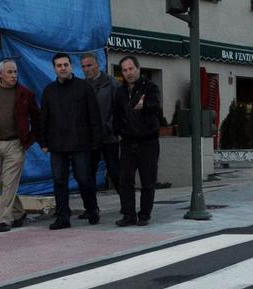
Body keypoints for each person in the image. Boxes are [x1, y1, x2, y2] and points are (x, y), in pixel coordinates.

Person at [38, 53, 104, 230]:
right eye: (59, 65)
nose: (63, 68)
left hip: (81, 144)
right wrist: (42, 141)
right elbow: (43, 118)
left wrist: (96, 141)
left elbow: (94, 116)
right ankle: (63, 218)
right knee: (59, 181)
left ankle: (92, 209)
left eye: (65, 64)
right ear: (54, 69)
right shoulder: (49, 91)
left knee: (84, 179)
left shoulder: (84, 88)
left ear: (71, 66)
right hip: (57, 145)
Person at [0, 59, 39, 232]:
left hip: (15, 144)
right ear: (0, 74)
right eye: (10, 72)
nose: (14, 75)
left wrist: (28, 140)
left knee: (9, 182)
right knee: (0, 182)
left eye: (15, 72)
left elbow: (37, 119)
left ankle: (5, 219)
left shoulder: (25, 94)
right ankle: (19, 212)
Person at [113, 55, 161, 227]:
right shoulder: (119, 91)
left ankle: (144, 215)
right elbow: (116, 114)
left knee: (148, 180)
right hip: (127, 141)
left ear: (138, 68)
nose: (128, 73)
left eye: (131, 68)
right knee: (125, 180)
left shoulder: (150, 87)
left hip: (147, 141)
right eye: (125, 70)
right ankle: (128, 215)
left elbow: (156, 106)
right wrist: (118, 131)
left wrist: (144, 105)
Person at [80, 53, 120, 203]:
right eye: (83, 66)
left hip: (109, 137)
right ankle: (91, 209)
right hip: (90, 140)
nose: (86, 69)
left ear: (98, 65)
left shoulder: (112, 83)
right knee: (87, 174)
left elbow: (119, 108)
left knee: (115, 172)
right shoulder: (82, 86)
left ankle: (127, 207)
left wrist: (109, 127)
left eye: (89, 65)